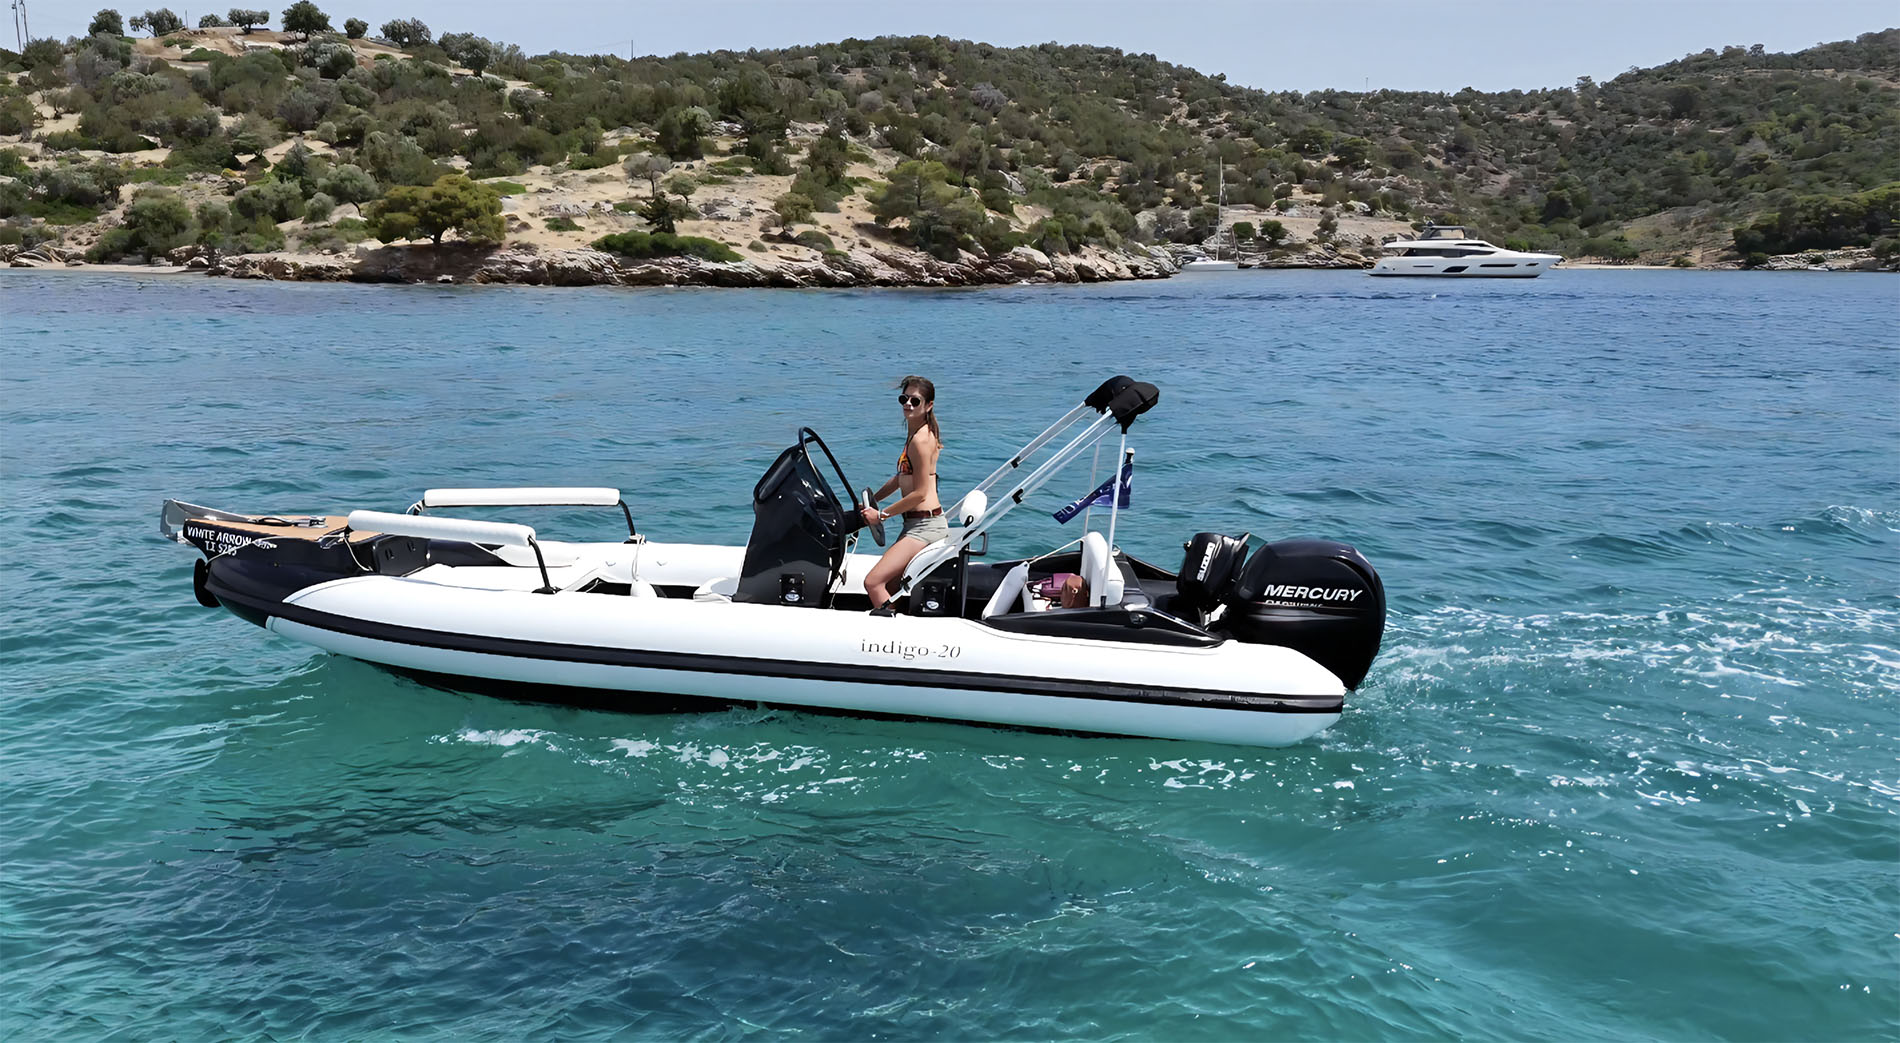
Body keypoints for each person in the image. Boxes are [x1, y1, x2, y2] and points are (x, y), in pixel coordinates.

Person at [859, 376, 945, 609]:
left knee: (873, 583)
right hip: (915, 524)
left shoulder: (921, 440)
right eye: (904, 399)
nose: (908, 404)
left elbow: (920, 493)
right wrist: (873, 500)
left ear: (928, 405)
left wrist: (881, 515)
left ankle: (890, 629)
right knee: (891, 586)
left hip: (925, 526)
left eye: (915, 401)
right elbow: (901, 478)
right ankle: (894, 619)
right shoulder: (914, 434)